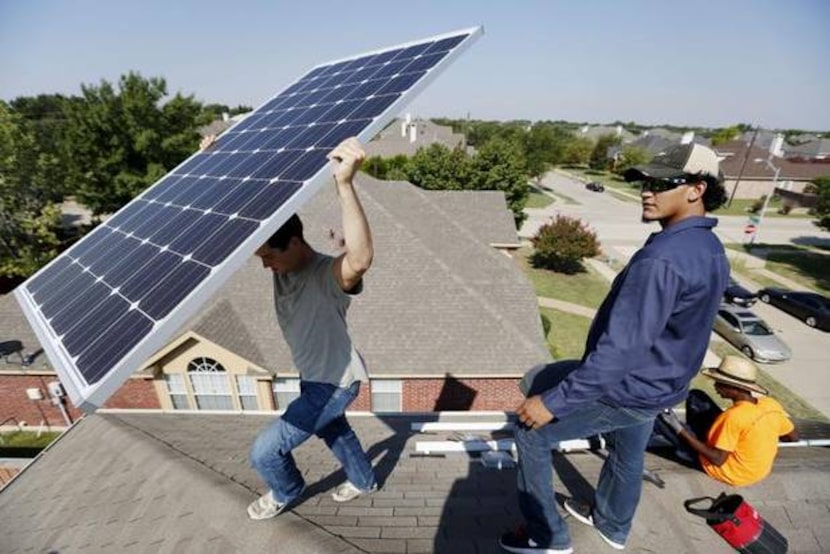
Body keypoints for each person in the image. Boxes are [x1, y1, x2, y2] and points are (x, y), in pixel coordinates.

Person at [500, 143, 731, 554]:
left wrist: (551, 404)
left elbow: (620, 351)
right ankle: (612, 524)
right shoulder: (709, 247)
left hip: (627, 386)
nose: (647, 190)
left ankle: (547, 536)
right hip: (660, 383)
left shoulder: (662, 258)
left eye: (661, 183)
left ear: (696, 189)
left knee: (528, 427)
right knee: (626, 448)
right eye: (646, 182)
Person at [200, 136, 379, 520]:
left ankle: (286, 490)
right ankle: (365, 481)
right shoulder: (284, 268)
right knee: (335, 432)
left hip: (333, 383)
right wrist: (215, 160)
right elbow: (248, 213)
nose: (265, 266)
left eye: (269, 256)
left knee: (265, 451)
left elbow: (360, 259)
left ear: (296, 242)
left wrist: (344, 185)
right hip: (315, 378)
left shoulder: (325, 276)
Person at [655, 355, 798, 487]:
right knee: (696, 396)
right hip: (756, 470)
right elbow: (792, 437)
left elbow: (717, 459)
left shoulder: (734, 416)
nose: (715, 386)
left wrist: (681, 431)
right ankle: (704, 438)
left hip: (728, 471)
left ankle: (687, 444)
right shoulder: (770, 404)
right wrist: (760, 438)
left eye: (719, 383)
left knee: (658, 415)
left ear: (734, 388)